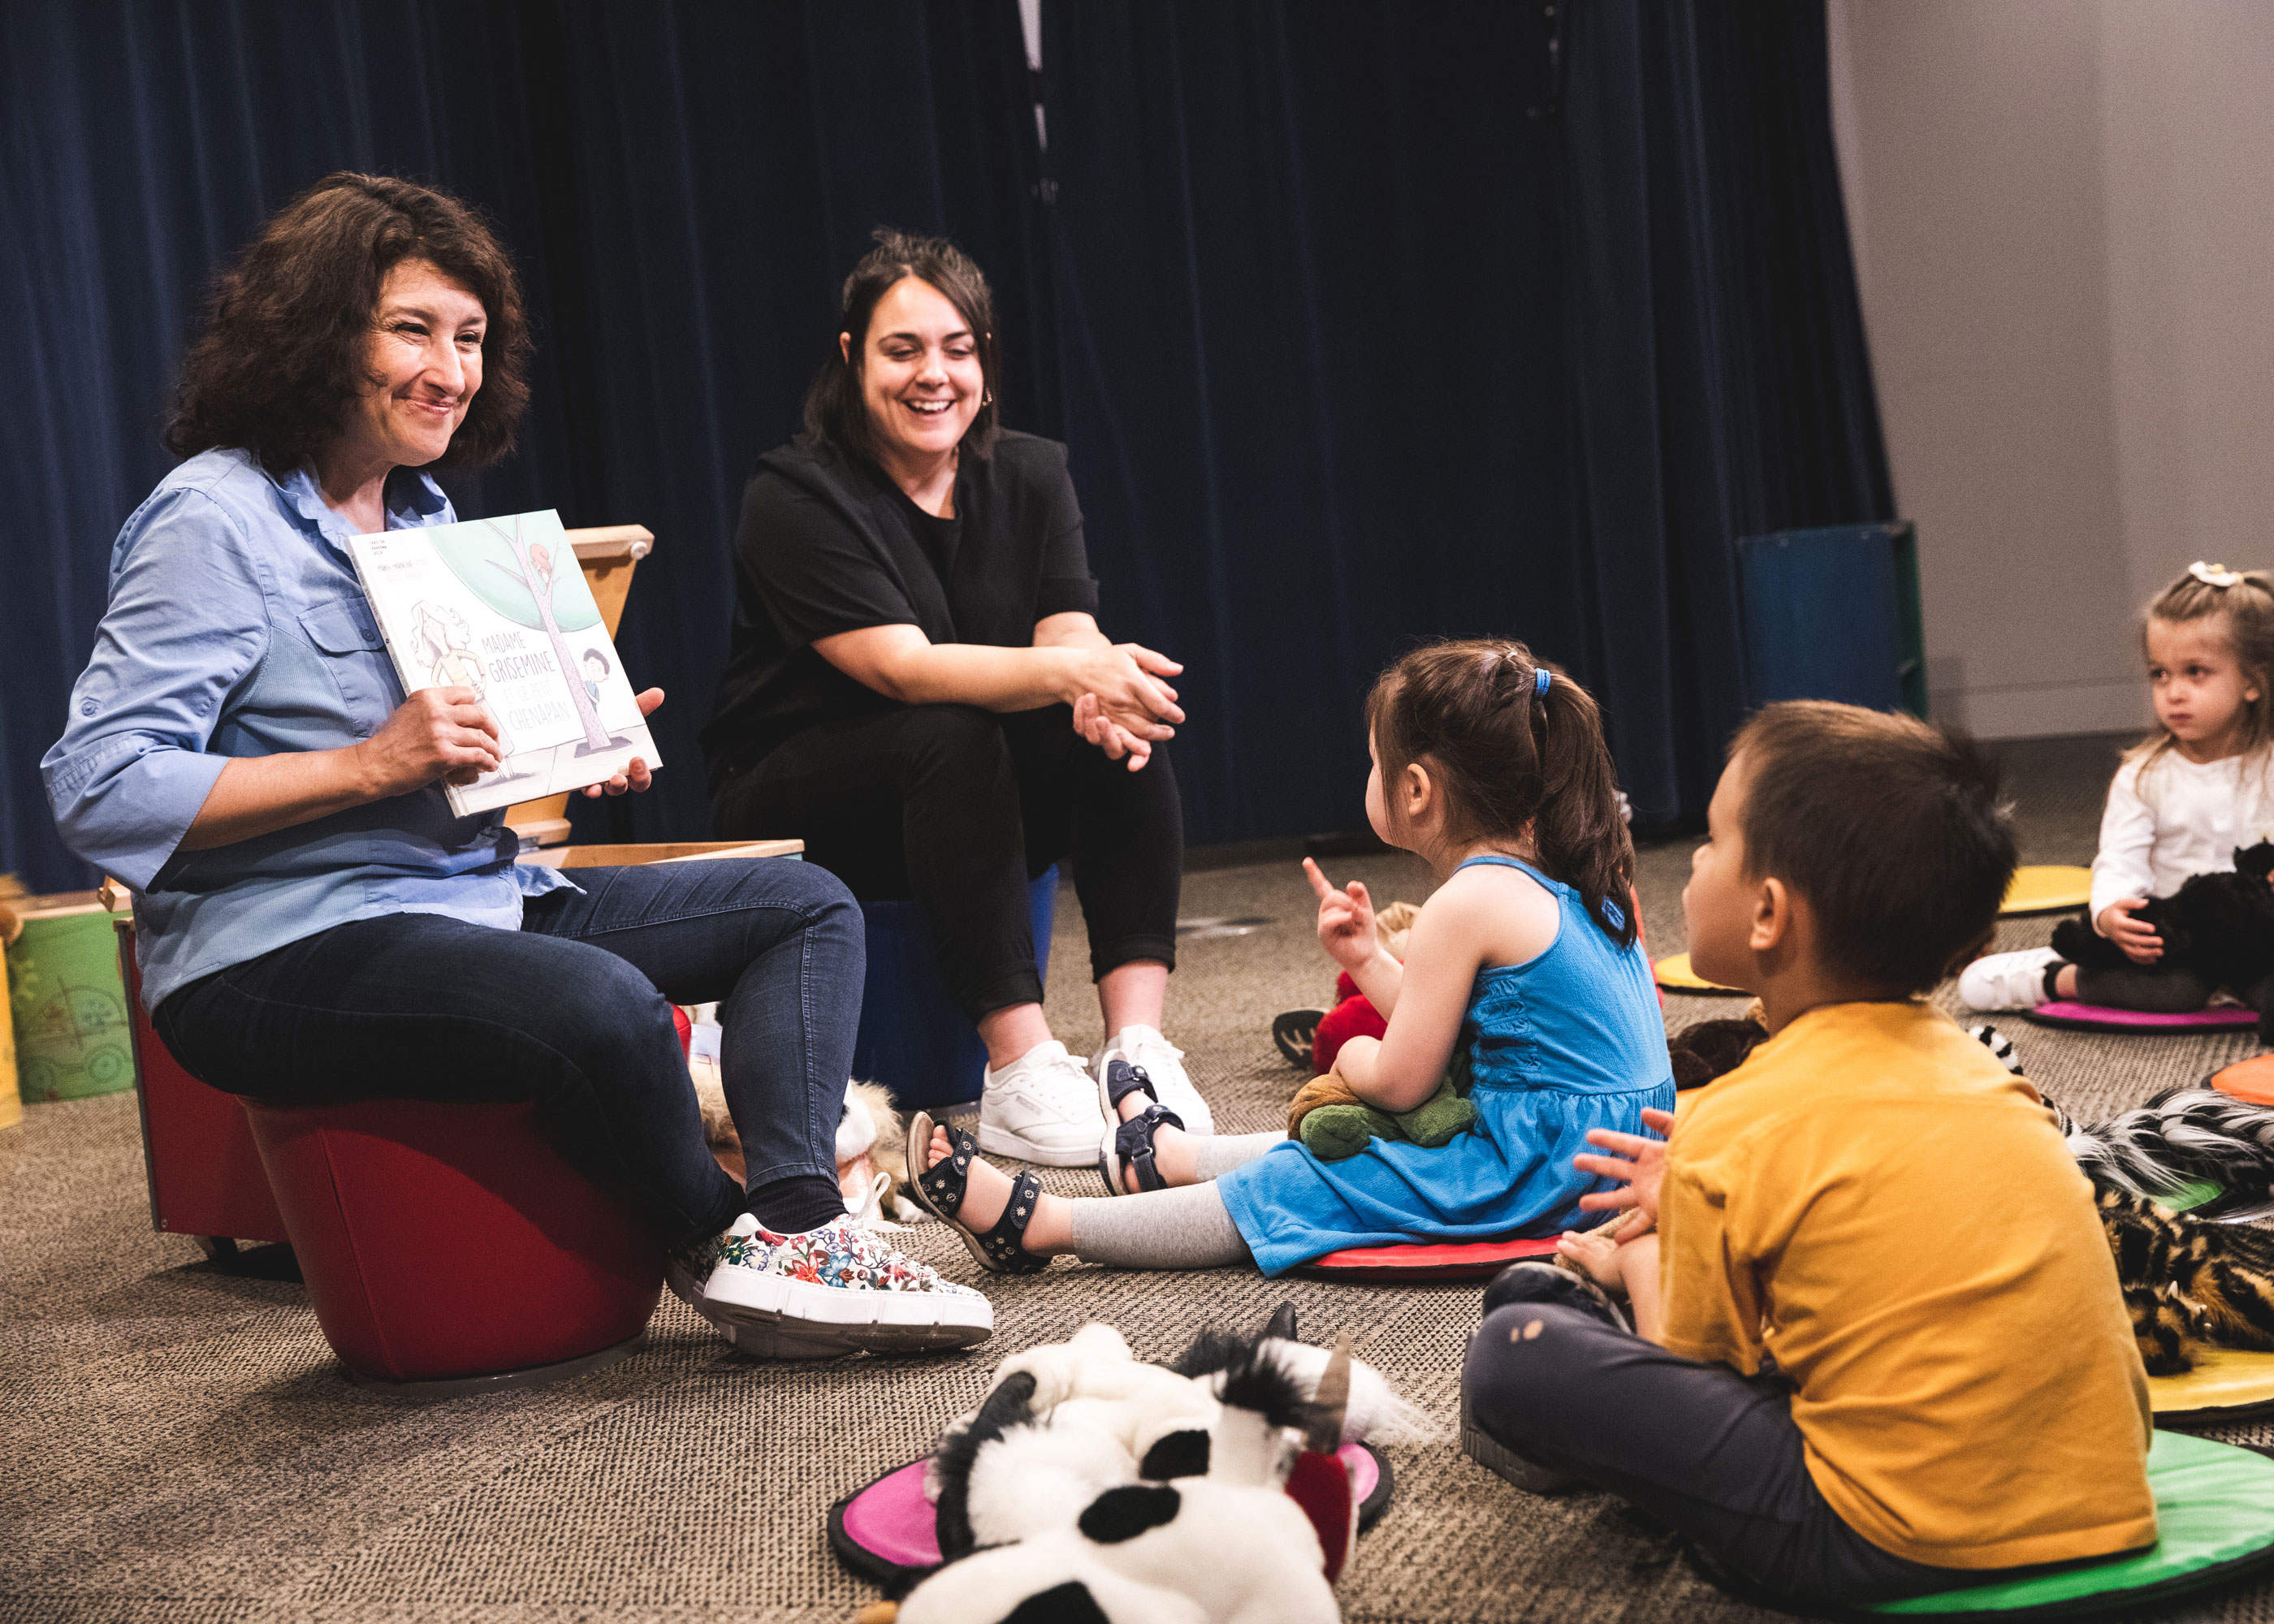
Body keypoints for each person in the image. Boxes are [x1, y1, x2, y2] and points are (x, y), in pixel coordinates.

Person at [42, 174, 984, 1359]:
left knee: (801, 904)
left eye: (473, 338)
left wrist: (563, 748)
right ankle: (721, 1247)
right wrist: (371, 764)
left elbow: (447, 767)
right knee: (607, 1006)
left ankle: (795, 1225)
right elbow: (99, 786)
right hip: (274, 949)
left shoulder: (426, 518)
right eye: (413, 329)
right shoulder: (213, 523)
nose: (451, 368)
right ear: (319, 331)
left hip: (471, 903)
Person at [1462, 702, 2158, 1607]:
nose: (1695, 859)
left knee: (1520, 1341)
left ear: (1768, 913)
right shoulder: (1988, 1076)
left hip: (1875, 1538)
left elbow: (1698, 1365)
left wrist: (1643, 1246)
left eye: (1713, 840)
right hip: (2104, 1494)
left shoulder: (1738, 1116)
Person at [900, 640, 1674, 1277]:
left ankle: (1039, 1226)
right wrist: (1371, 960)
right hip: (1615, 1154)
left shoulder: (1468, 900)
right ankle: (1172, 1157)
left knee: (1314, 1173)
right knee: (1365, 1132)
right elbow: (1471, 1024)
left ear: (1414, 790)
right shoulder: (1572, 867)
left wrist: (1362, 1059)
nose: (1367, 778)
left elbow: (1405, 1084)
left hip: (1547, 1172)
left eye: (1373, 765)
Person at [702, 229, 1206, 1168]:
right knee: (951, 726)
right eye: (903, 349)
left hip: (959, 788)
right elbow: (904, 667)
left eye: (958, 348)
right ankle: (1017, 1066)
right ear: (853, 356)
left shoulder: (1029, 472)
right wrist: (1071, 673)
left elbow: (1066, 630)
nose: (934, 374)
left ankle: (1135, 1052)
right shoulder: (795, 494)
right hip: (798, 791)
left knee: (1123, 716)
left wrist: (1097, 686)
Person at [1959, 562, 2274, 1015]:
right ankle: (2051, 976)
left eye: (2195, 673)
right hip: (2180, 941)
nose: (2174, 691)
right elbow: (2119, 862)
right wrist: (2109, 916)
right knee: (2174, 992)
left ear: (2252, 683)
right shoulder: (2143, 775)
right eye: (2159, 674)